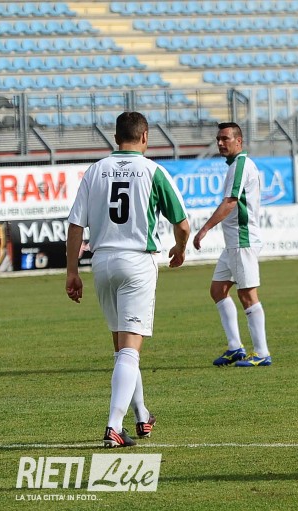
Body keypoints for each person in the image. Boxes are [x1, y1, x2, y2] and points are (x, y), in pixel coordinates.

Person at [65, 111, 190, 448]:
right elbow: (182, 223)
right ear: (145, 136)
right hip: (136, 261)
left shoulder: (95, 170)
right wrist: (180, 249)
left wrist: (72, 271)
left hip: (102, 262)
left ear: (115, 136)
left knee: (123, 348)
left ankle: (141, 414)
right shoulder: (153, 171)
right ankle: (114, 426)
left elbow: (75, 225)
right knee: (130, 349)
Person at [193, 122, 271, 368]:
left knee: (247, 294)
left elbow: (230, 202)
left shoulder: (240, 165)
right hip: (234, 242)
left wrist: (205, 228)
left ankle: (262, 353)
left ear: (239, 141)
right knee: (218, 290)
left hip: (242, 239)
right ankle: (235, 347)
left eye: (225, 138)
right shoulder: (237, 165)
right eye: (218, 139)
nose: (220, 143)